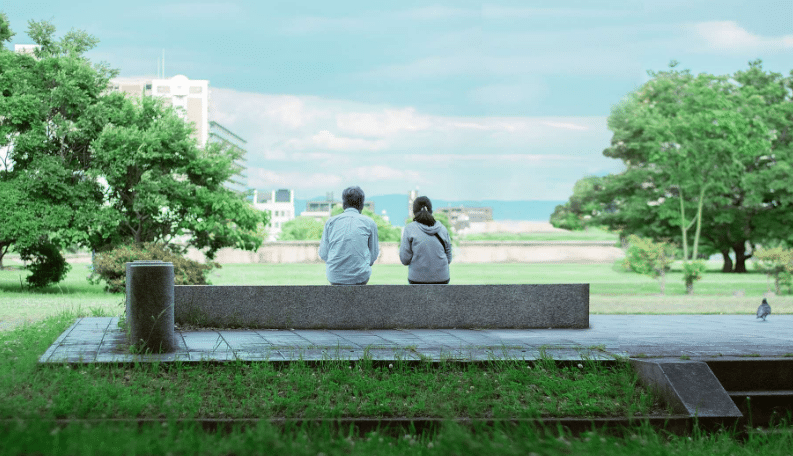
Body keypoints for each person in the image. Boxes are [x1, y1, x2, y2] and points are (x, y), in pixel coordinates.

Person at [318, 186, 379, 285]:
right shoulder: (369, 223)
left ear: (344, 204)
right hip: (360, 277)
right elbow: (373, 255)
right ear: (362, 205)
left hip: (335, 277)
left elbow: (323, 253)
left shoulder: (330, 222)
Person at [399, 196, 452, 284]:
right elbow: (449, 259)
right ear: (431, 210)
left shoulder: (410, 229)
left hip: (417, 279)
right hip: (442, 278)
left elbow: (405, 259)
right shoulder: (442, 229)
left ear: (414, 211)